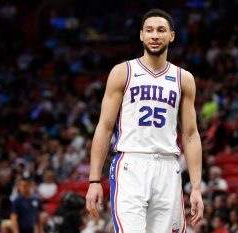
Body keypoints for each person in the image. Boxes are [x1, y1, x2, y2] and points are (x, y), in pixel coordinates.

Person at [85, 8, 204, 233]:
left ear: (172, 36)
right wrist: (93, 181)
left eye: (161, 30)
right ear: (141, 35)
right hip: (131, 163)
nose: (154, 35)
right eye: (149, 30)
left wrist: (196, 188)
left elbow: (190, 134)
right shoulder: (123, 72)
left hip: (168, 167)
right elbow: (104, 127)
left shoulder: (184, 79)